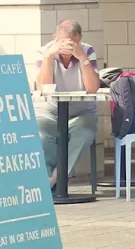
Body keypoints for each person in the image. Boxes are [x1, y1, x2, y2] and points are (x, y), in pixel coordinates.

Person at [34, 20, 101, 190]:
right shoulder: (44, 52)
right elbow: (43, 87)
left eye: (73, 43)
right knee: (41, 136)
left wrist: (82, 58)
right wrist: (49, 57)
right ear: (55, 38)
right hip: (49, 110)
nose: (68, 48)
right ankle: (47, 182)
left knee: (84, 133)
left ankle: (57, 178)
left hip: (82, 112)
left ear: (79, 40)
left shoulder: (87, 51)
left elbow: (92, 88)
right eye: (63, 42)